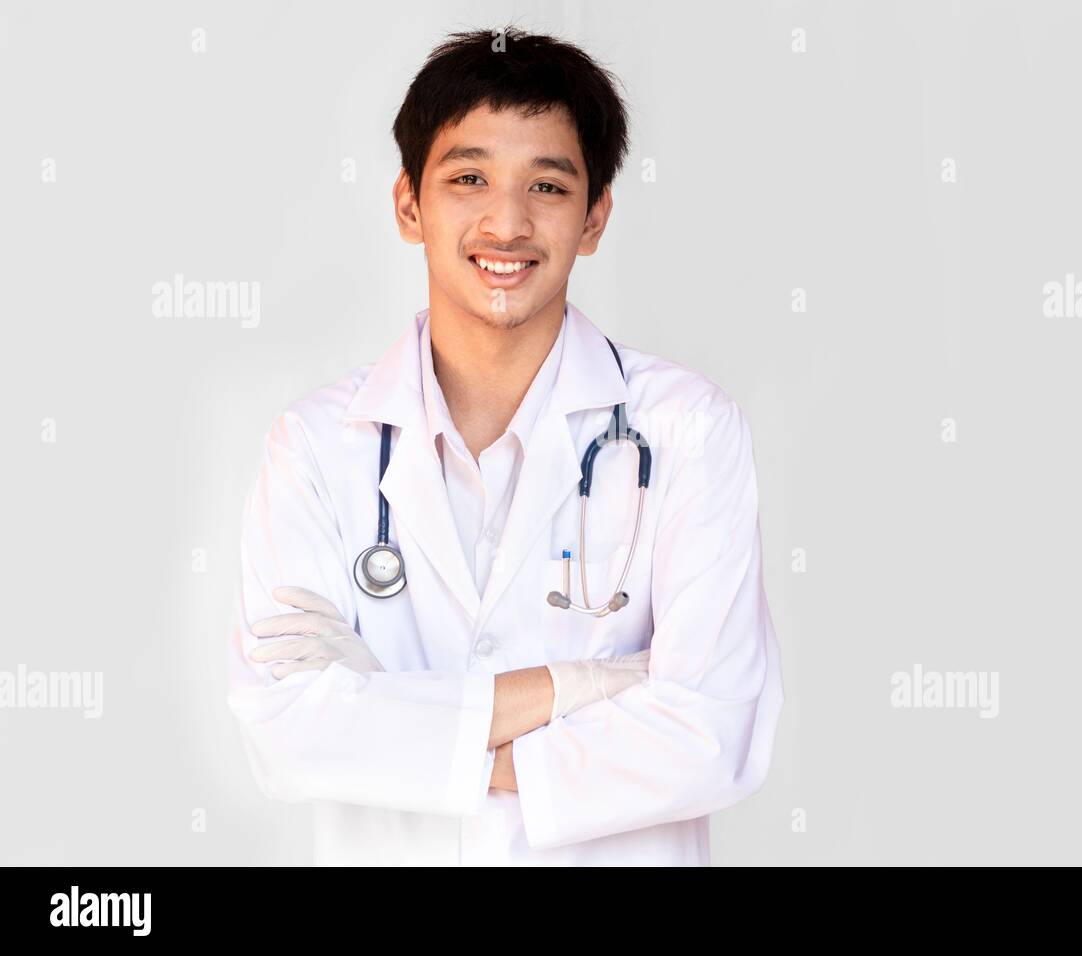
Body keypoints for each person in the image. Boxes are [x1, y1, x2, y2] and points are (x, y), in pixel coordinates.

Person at [226, 26, 783, 866]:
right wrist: (584, 688)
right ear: (410, 204)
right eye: (470, 178)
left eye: (548, 186)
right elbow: (285, 732)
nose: (508, 221)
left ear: (594, 217)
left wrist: (394, 725)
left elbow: (712, 733)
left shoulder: (687, 430)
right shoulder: (314, 447)